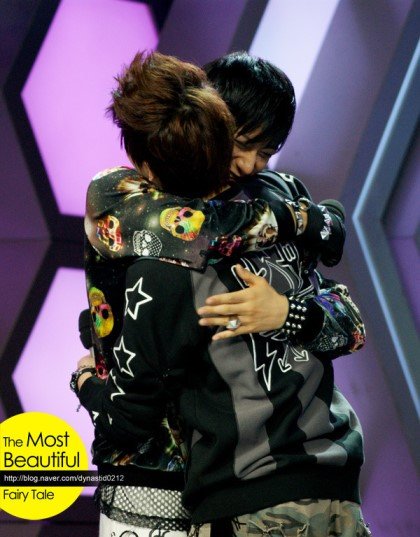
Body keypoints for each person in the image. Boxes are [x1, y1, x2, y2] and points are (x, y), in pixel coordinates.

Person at [73, 51, 367, 536]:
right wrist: (305, 219)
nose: (251, 164)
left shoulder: (273, 191)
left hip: (266, 481)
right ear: (209, 117)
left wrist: (288, 313)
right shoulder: (124, 199)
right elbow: (195, 230)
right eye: (243, 143)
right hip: (156, 468)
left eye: (267, 151)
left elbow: (351, 324)